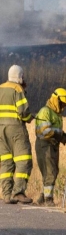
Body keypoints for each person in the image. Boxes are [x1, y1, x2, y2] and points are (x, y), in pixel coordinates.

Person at [34, 88, 66, 206]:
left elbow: (57, 132)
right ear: (56, 100)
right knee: (50, 172)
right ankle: (48, 200)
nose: (64, 106)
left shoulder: (57, 115)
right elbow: (45, 131)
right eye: (62, 103)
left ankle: (42, 197)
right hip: (44, 145)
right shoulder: (45, 111)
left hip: (53, 145)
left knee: (53, 171)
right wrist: (58, 134)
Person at [0, 65, 34, 205]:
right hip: (16, 129)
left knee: (6, 162)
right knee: (24, 160)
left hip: (1, 130)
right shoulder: (17, 89)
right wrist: (30, 118)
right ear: (19, 76)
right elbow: (23, 112)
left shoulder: (1, 88)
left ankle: (7, 194)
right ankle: (18, 192)